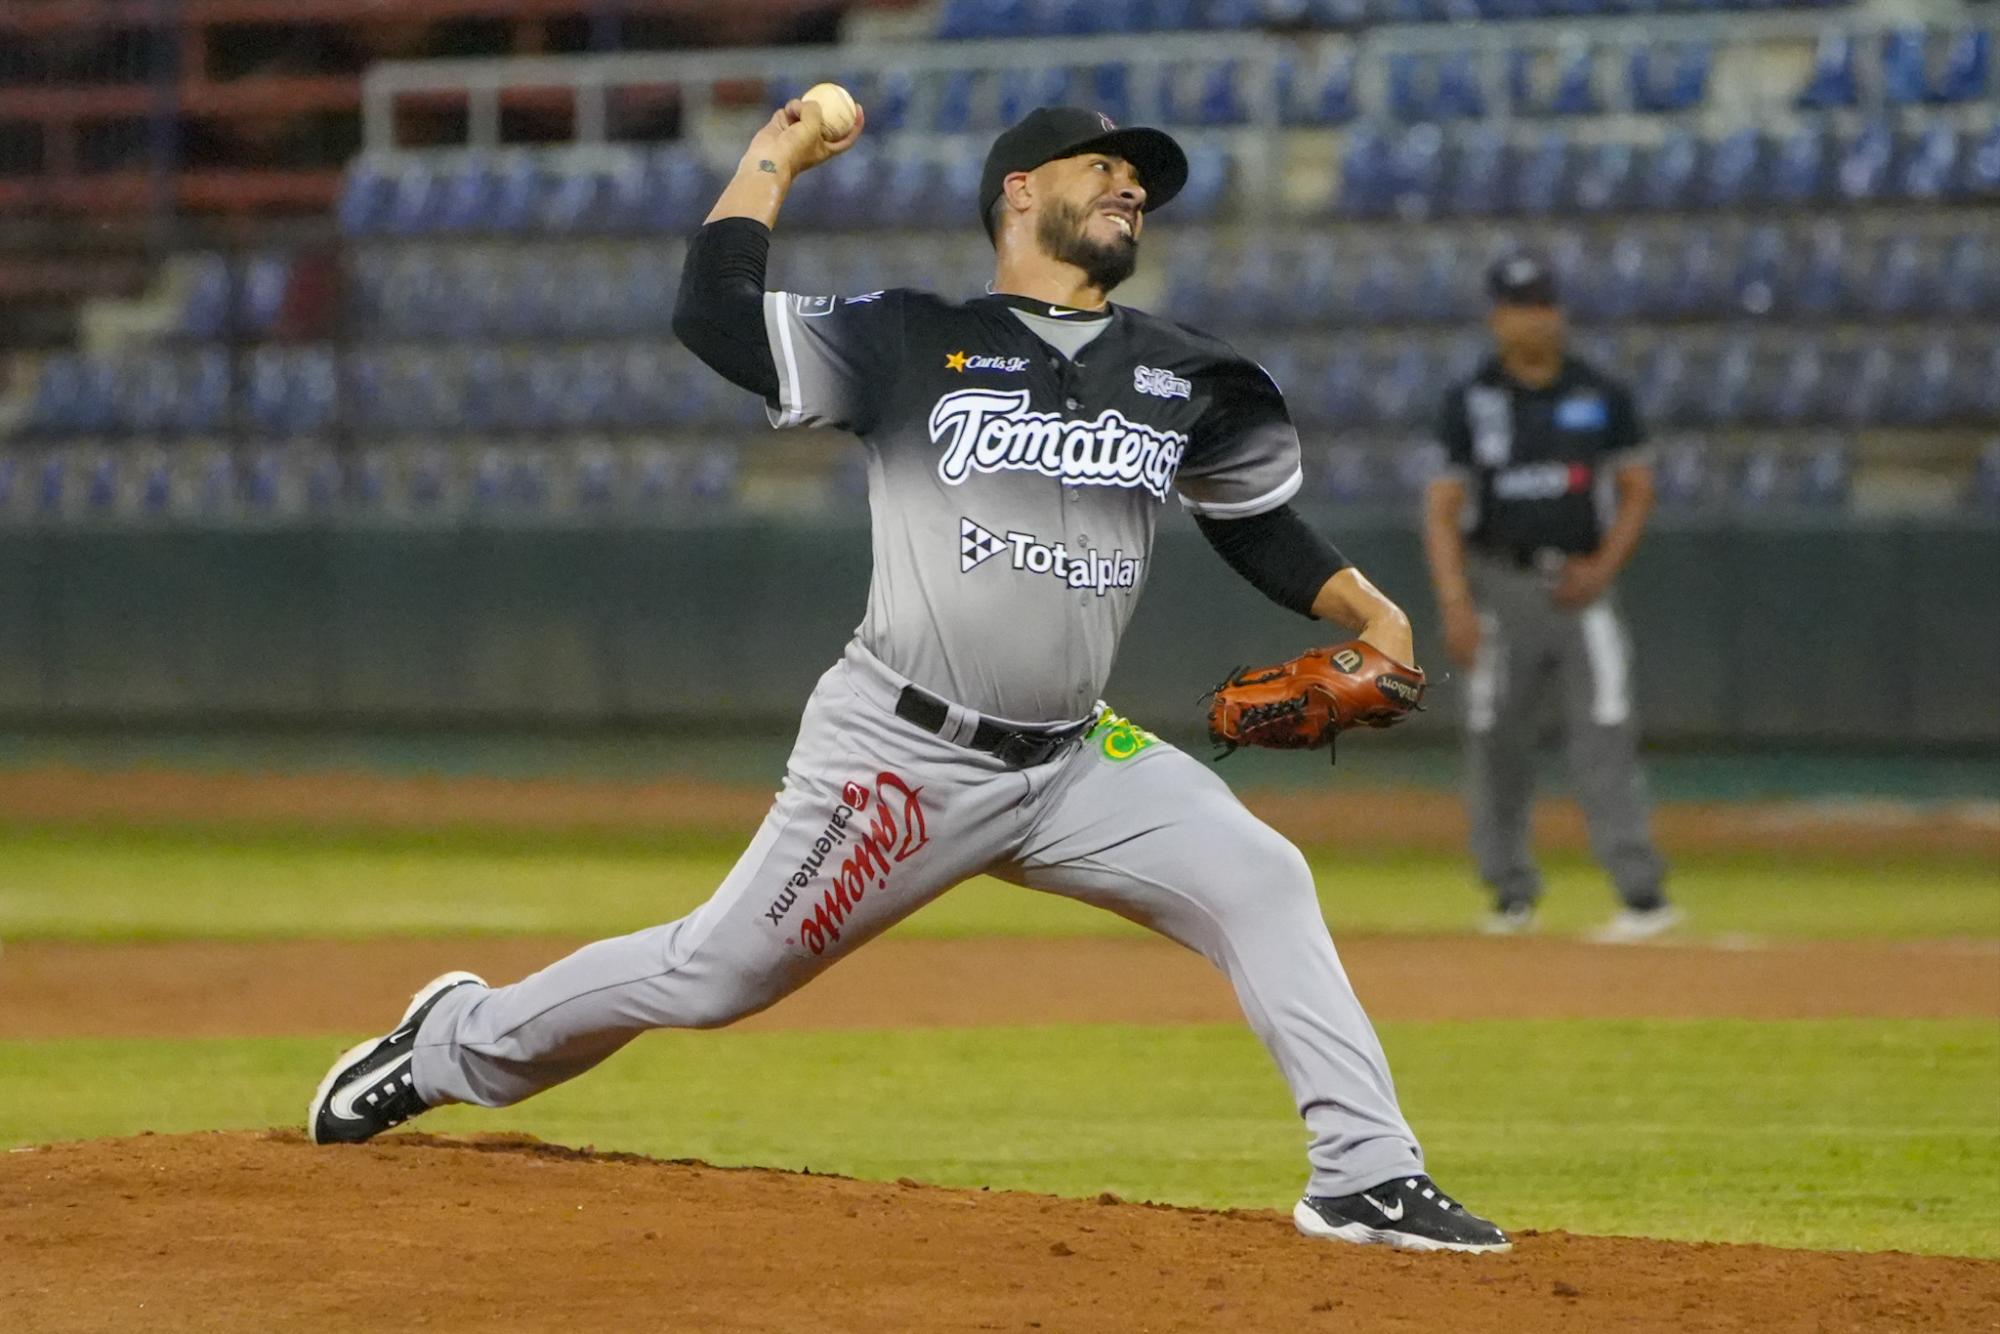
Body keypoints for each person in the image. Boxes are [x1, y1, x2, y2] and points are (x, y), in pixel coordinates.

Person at [308, 101, 1510, 1254]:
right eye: (1103, 168)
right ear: (1018, 193)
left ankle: (1363, 1173)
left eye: (1140, 180)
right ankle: (448, 1040)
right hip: (901, 757)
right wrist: (777, 150)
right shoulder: (908, 340)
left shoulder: (1184, 372)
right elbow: (713, 315)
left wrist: (1369, 608)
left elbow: (1252, 521)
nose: (1130, 187)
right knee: (711, 973)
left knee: (1261, 875)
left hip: (1076, 757)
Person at [1422, 255, 1678, 944]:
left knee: (1605, 734)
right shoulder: (1471, 398)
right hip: (1500, 586)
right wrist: (1456, 603)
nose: (1532, 317)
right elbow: (1443, 507)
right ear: (1495, 315)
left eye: (1541, 302)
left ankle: (1641, 894)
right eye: (1517, 304)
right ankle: (1510, 894)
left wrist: (1604, 565)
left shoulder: (1601, 392)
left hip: (1580, 590)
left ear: (1558, 311)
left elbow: (1637, 489)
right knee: (1496, 743)